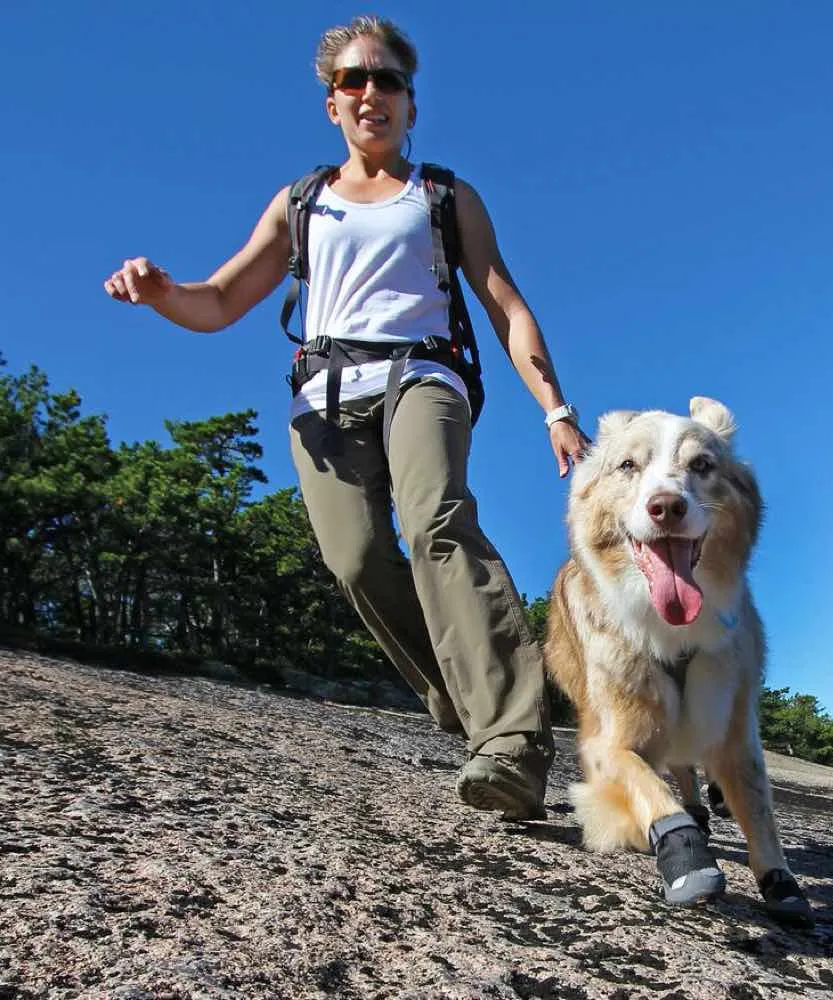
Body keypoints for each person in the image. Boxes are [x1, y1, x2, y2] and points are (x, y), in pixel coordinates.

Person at [103, 15, 588, 821]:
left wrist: (555, 410)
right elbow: (220, 301)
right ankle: (465, 697)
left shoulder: (443, 196)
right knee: (357, 559)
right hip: (324, 396)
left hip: (422, 375)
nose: (372, 93)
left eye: (388, 79)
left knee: (434, 518)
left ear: (411, 103)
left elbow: (505, 304)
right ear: (332, 104)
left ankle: (511, 744)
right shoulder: (301, 204)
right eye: (354, 81)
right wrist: (161, 294)